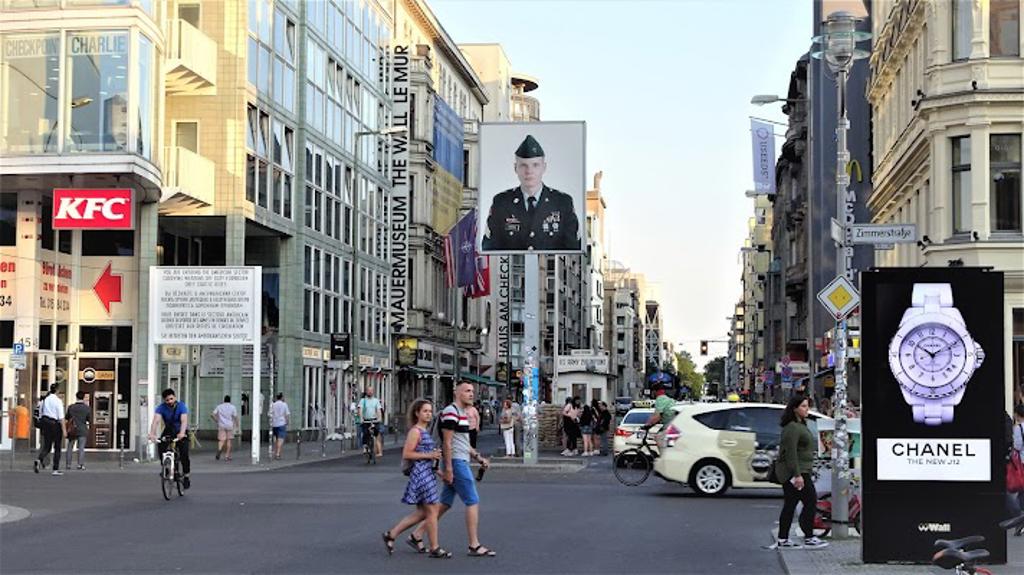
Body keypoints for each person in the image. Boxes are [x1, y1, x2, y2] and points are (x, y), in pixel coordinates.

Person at [411, 382, 495, 557]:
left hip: (460, 459)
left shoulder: (463, 413)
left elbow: (464, 443)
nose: (471, 394)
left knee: (445, 504)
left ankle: (417, 534)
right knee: (472, 500)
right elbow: (447, 443)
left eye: (472, 391)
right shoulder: (451, 412)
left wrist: (479, 458)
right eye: (467, 391)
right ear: (457, 393)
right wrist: (448, 468)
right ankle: (474, 545)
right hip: (456, 462)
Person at [481, 135, 580, 252]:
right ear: (515, 168)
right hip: (514, 269)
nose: (529, 171)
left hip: (550, 269)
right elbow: (489, 249)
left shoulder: (562, 203)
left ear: (544, 167)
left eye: (535, 165)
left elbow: (574, 249)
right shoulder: (501, 203)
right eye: (523, 165)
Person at [382, 399, 450, 559]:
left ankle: (391, 534)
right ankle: (435, 547)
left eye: (430, 411)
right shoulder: (416, 431)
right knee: (432, 510)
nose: (428, 414)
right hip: (421, 474)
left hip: (428, 473)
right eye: (425, 411)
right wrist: (429, 455)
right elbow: (407, 453)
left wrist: (439, 471)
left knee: (422, 512)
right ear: (417, 413)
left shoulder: (424, 431)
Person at [774, 395, 828, 549]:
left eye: (807, 406)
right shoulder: (792, 428)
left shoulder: (801, 425)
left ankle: (785, 538)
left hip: (801, 470)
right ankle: (807, 536)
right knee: (809, 501)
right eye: (803, 406)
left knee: (792, 504)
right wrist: (797, 475)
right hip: (796, 472)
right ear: (795, 409)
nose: (807, 409)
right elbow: (790, 453)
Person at [148, 388, 191, 489]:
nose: (170, 401)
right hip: (169, 430)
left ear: (175, 397)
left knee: (184, 454)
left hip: (181, 430)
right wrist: (152, 434)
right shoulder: (161, 408)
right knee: (161, 445)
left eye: (171, 399)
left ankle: (186, 476)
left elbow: (184, 421)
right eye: (167, 400)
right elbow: (156, 421)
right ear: (164, 400)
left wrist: (182, 433)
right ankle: (166, 467)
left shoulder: (181, 406)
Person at [35, 384, 65, 476]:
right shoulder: (58, 401)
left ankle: (39, 459)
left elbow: (40, 413)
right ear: (57, 390)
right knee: (57, 447)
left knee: (47, 446)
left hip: (46, 424)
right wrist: (64, 430)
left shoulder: (45, 400)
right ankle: (55, 469)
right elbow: (61, 417)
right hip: (55, 424)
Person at [65, 391, 91, 470]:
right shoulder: (87, 408)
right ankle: (80, 464)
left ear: (76, 397)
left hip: (72, 429)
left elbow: (67, 417)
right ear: (83, 397)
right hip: (82, 429)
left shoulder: (71, 407)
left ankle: (68, 464)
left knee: (70, 447)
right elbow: (89, 419)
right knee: (81, 448)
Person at [211, 395, 239, 461]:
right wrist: (237, 425)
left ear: (224, 400)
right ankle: (227, 456)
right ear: (230, 400)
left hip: (221, 425)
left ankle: (220, 449)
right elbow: (235, 417)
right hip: (230, 425)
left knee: (221, 440)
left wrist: (217, 420)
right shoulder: (232, 407)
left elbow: (212, 414)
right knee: (229, 440)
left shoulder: (219, 406)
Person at [359, 386, 385, 458]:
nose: (370, 392)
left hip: (374, 420)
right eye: (368, 390)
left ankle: (377, 450)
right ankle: (365, 446)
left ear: (373, 392)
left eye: (371, 390)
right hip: (366, 420)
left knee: (376, 434)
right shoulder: (363, 401)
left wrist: (379, 418)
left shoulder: (376, 401)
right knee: (365, 433)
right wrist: (361, 418)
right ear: (366, 392)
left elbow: (379, 410)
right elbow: (360, 410)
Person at [269, 392, 290, 460]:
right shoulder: (284, 404)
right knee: (280, 439)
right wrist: (287, 422)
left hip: (274, 424)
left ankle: (275, 452)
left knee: (276, 438)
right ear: (282, 397)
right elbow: (287, 414)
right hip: (281, 423)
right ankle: (277, 453)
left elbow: (269, 414)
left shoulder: (273, 405)